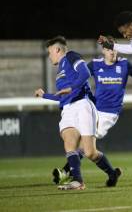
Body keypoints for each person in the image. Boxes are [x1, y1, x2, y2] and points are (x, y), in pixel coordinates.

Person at [34, 36, 120, 190]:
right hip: (67, 110)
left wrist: (72, 88)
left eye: (50, 52)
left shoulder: (70, 56)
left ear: (57, 50)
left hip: (83, 105)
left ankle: (112, 173)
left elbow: (85, 73)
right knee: (69, 143)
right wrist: (44, 95)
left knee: (90, 153)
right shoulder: (60, 72)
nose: (49, 56)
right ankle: (78, 181)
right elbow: (63, 96)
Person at [52, 36, 132, 185]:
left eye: (114, 49)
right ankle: (112, 174)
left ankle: (66, 173)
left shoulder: (125, 64)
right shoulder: (96, 64)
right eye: (109, 49)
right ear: (103, 50)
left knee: (85, 147)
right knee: (80, 143)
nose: (112, 52)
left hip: (109, 113)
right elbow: (80, 76)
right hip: (93, 109)